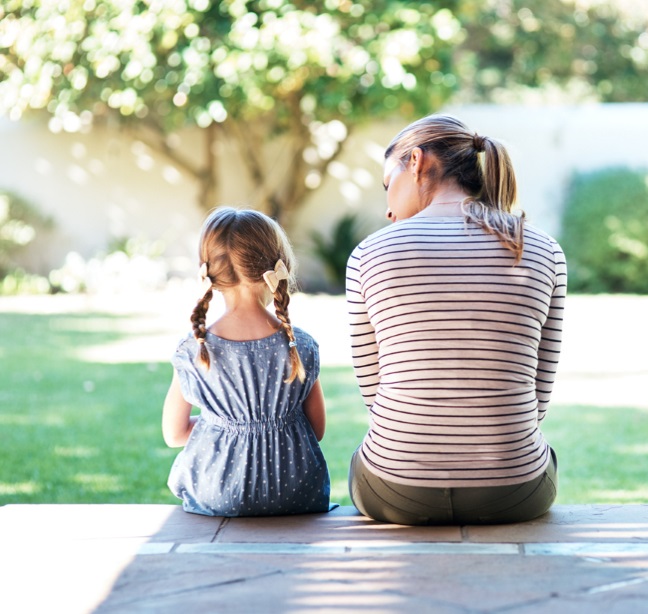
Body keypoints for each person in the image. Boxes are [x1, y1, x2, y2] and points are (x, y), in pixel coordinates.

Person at [346, 114, 567, 525]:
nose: (388, 208)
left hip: (396, 491)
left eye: (386, 184)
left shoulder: (369, 254)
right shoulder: (542, 249)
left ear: (415, 162)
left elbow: (374, 395)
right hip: (514, 491)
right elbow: (538, 395)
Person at [162, 206, 331, 517]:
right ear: (278, 267)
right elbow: (316, 429)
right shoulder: (301, 345)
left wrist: (223, 424)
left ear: (209, 273)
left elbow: (174, 435)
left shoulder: (194, 349)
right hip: (296, 492)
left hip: (218, 493)